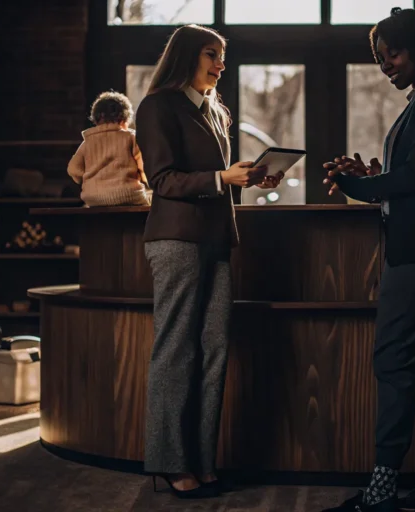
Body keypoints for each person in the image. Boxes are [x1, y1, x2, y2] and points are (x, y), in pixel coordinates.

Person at [322, 7, 415, 512]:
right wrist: (374, 176)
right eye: (381, 59)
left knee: (393, 363)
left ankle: (382, 492)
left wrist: (355, 185)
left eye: (393, 54)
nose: (386, 66)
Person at [134, 24, 283, 500]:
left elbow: (216, 177)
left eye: (221, 55)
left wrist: (247, 179)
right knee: (176, 350)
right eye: (210, 54)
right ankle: (171, 464)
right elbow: (162, 180)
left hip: (217, 240)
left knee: (214, 349)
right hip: (176, 240)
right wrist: (221, 177)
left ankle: (202, 463)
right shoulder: (158, 105)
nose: (220, 63)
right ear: (185, 56)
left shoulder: (215, 111)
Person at [67, 91, 152, 207]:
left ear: (96, 120)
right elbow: (145, 167)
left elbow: (73, 169)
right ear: (124, 119)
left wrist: (88, 178)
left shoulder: (87, 142)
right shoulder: (131, 138)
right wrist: (145, 180)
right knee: (150, 202)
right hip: (128, 195)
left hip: (93, 198)